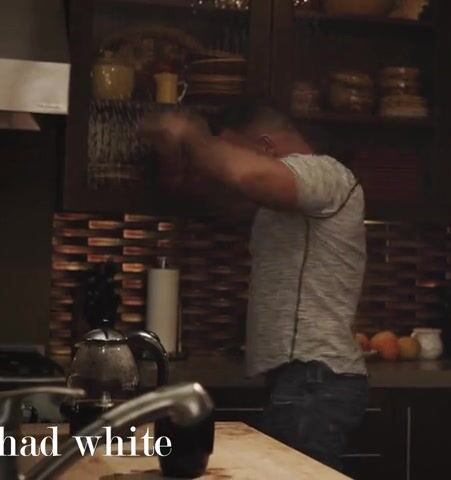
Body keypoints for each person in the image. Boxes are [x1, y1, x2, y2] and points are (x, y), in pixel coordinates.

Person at [141, 104, 368, 471]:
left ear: (264, 148)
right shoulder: (278, 206)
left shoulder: (326, 174)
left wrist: (192, 133)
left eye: (239, 151)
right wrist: (177, 160)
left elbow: (248, 175)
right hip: (303, 380)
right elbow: (220, 190)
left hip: (315, 379)